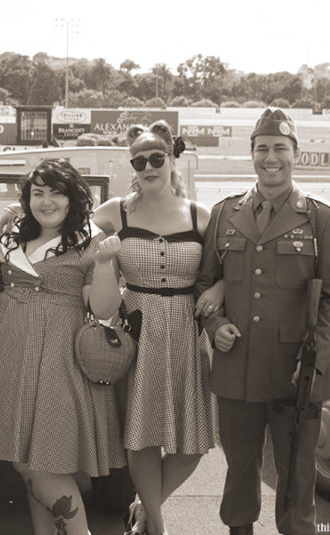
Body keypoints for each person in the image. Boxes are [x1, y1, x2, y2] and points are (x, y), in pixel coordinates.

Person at [196, 108, 330, 535]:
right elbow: (205, 283)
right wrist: (215, 326)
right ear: (251, 154)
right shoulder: (225, 213)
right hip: (237, 368)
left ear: (295, 153)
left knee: (297, 476)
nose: (271, 157)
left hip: (295, 372)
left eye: (280, 148)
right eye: (262, 148)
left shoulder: (321, 219)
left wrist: (315, 360)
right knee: (239, 468)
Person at [89, 120, 219, 535]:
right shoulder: (114, 212)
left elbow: (231, 269)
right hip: (137, 329)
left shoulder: (201, 215)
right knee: (142, 436)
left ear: (172, 159)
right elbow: (69, 240)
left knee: (194, 441)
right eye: (139, 160)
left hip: (185, 328)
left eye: (156, 158)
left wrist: (216, 289)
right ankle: (157, 526)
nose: (148, 167)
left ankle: (144, 510)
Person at [0, 158, 126, 535]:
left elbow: (103, 309)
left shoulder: (90, 239)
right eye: (38, 193)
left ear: (73, 198)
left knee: (43, 459)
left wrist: (108, 263)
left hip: (57, 356)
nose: (46, 202)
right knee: (24, 456)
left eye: (56, 193)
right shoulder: (13, 233)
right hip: (11, 352)